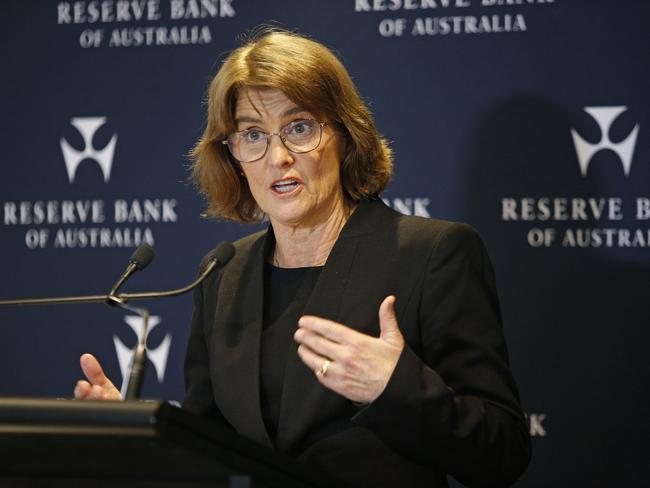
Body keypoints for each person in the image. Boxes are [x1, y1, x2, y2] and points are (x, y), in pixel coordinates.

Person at [74, 29, 531, 487]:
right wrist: (139, 434)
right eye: (253, 134)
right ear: (232, 155)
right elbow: (209, 451)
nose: (278, 157)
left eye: (299, 128)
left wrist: (393, 389)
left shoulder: (430, 255)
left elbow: (502, 452)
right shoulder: (223, 273)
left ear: (346, 136)